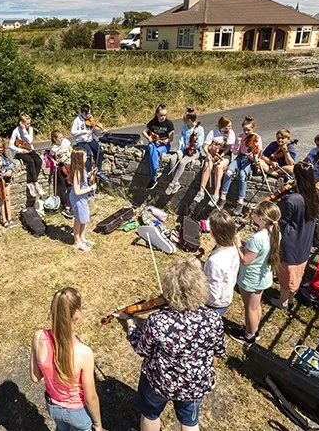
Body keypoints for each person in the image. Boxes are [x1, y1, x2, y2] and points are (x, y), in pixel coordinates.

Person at [117, 258, 226, 431]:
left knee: (150, 415)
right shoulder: (213, 318)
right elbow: (218, 352)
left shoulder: (157, 321)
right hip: (194, 384)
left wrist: (130, 324)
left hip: (159, 382)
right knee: (190, 422)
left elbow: (141, 348)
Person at [30, 287, 103, 431]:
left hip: (53, 407)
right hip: (78, 413)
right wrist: (98, 425)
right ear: (77, 315)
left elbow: (35, 377)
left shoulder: (38, 337)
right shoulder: (84, 353)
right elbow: (91, 398)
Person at [228, 201, 282, 345]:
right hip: (263, 276)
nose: (253, 215)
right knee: (256, 305)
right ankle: (254, 329)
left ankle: (249, 335)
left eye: (256, 213)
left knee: (250, 308)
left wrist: (238, 242)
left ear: (262, 219)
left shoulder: (257, 238)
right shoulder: (275, 233)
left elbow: (245, 260)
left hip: (251, 278)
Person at [270, 162, 319, 311]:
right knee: (298, 271)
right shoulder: (315, 194)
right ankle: (291, 299)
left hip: (291, 242)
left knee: (287, 273)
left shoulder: (292, 199)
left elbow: (281, 221)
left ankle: (283, 302)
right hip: (305, 240)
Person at [218, 116, 263, 215]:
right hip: (240, 157)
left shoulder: (257, 138)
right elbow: (235, 152)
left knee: (242, 176)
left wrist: (253, 156)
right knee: (229, 172)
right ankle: (223, 197)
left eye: (248, 130)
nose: (246, 132)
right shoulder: (240, 136)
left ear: (253, 129)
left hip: (249, 159)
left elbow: (258, 154)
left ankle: (240, 201)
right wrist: (238, 143)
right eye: (244, 130)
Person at [203, 209, 241, 316]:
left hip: (213, 305)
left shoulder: (215, 261)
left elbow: (213, 292)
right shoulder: (233, 247)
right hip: (226, 296)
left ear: (213, 232)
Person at [194, 116, 235, 205]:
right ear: (222, 126)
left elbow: (227, 149)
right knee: (207, 164)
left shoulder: (231, 133)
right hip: (212, 152)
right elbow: (205, 146)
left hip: (224, 154)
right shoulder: (213, 132)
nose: (230, 128)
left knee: (219, 166)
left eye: (230, 126)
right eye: (228, 126)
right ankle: (201, 191)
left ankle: (216, 194)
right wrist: (208, 154)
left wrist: (220, 156)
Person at [166, 108, 205, 195]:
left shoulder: (199, 129)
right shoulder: (184, 128)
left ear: (190, 120)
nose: (183, 121)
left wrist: (194, 139)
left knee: (182, 162)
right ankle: (176, 183)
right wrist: (180, 152)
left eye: (184, 120)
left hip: (194, 151)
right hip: (184, 149)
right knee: (173, 159)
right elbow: (181, 140)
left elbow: (199, 144)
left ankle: (172, 183)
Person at [10, 113, 45, 197]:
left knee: (38, 161)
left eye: (29, 123)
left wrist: (25, 130)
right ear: (21, 123)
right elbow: (10, 145)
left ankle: (31, 182)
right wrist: (21, 150)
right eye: (27, 123)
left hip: (29, 149)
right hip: (20, 151)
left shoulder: (30, 129)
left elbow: (29, 140)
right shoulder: (16, 131)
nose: (29, 125)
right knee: (31, 161)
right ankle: (36, 183)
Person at [68, 148, 96, 252]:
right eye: (84, 156)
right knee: (78, 219)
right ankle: (77, 241)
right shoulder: (77, 172)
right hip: (78, 198)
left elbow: (83, 181)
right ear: (79, 159)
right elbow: (77, 191)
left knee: (84, 217)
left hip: (83, 198)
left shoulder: (82, 169)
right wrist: (90, 188)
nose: (86, 158)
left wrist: (91, 174)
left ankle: (82, 237)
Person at [71, 105, 108, 181]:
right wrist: (84, 132)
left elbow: (96, 133)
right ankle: (88, 172)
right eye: (87, 114)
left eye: (90, 113)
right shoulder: (77, 121)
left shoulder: (91, 119)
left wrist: (102, 132)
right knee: (88, 154)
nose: (89, 115)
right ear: (82, 113)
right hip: (81, 140)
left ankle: (98, 170)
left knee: (100, 151)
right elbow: (73, 132)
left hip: (90, 139)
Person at [142, 104, 175, 190]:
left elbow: (171, 139)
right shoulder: (153, 122)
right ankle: (156, 171)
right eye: (161, 115)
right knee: (152, 148)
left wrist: (166, 140)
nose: (163, 117)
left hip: (164, 145)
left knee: (154, 153)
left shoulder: (169, 124)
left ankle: (153, 178)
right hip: (153, 143)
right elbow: (144, 132)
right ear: (157, 114)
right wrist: (148, 137)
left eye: (165, 115)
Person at [49, 129, 73, 219]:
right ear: (55, 139)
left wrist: (66, 156)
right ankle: (64, 206)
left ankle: (69, 205)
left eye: (62, 137)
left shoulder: (66, 142)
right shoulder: (53, 148)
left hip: (69, 164)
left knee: (70, 185)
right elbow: (50, 156)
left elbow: (71, 150)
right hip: (60, 166)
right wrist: (54, 161)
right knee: (62, 187)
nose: (62, 139)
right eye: (60, 138)